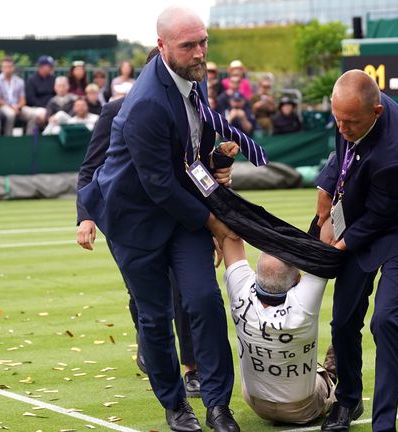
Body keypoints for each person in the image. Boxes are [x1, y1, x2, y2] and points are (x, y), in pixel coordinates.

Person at [78, 7, 241, 432]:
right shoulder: (146, 103)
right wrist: (216, 224)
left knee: (204, 300)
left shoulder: (193, 79)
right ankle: (176, 407)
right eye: (189, 45)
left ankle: (218, 405)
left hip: (178, 213)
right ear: (162, 47)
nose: (199, 52)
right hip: (133, 222)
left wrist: (214, 162)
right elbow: (160, 186)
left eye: (203, 41)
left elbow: (188, 153)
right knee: (154, 317)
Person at [314, 70, 398, 432]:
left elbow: (378, 218)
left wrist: (337, 246)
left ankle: (384, 424)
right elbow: (341, 157)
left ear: (376, 112)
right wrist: (324, 209)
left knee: (385, 320)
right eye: (337, 119)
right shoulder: (350, 110)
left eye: (351, 122)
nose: (342, 128)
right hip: (366, 215)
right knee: (343, 320)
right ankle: (347, 400)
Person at [220, 235, 337, 424]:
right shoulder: (303, 302)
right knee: (326, 367)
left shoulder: (240, 289)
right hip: (302, 408)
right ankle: (331, 377)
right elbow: (327, 245)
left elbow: (230, 238)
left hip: (256, 403)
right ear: (299, 281)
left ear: (255, 275)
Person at [0, 57, 29, 136]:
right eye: (5, 67)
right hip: (3, 106)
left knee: (33, 115)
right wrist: (11, 107)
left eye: (9, 67)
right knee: (11, 114)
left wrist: (17, 106)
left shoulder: (20, 81)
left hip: (17, 106)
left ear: (13, 68)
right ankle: (8, 138)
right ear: (2, 68)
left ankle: (29, 139)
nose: (7, 69)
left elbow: (23, 100)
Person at [25, 55, 57, 132]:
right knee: (42, 114)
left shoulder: (53, 79)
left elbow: (55, 94)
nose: (51, 68)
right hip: (36, 107)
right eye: (49, 66)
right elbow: (31, 98)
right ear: (42, 66)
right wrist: (45, 107)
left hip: (51, 107)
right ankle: (33, 140)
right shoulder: (32, 80)